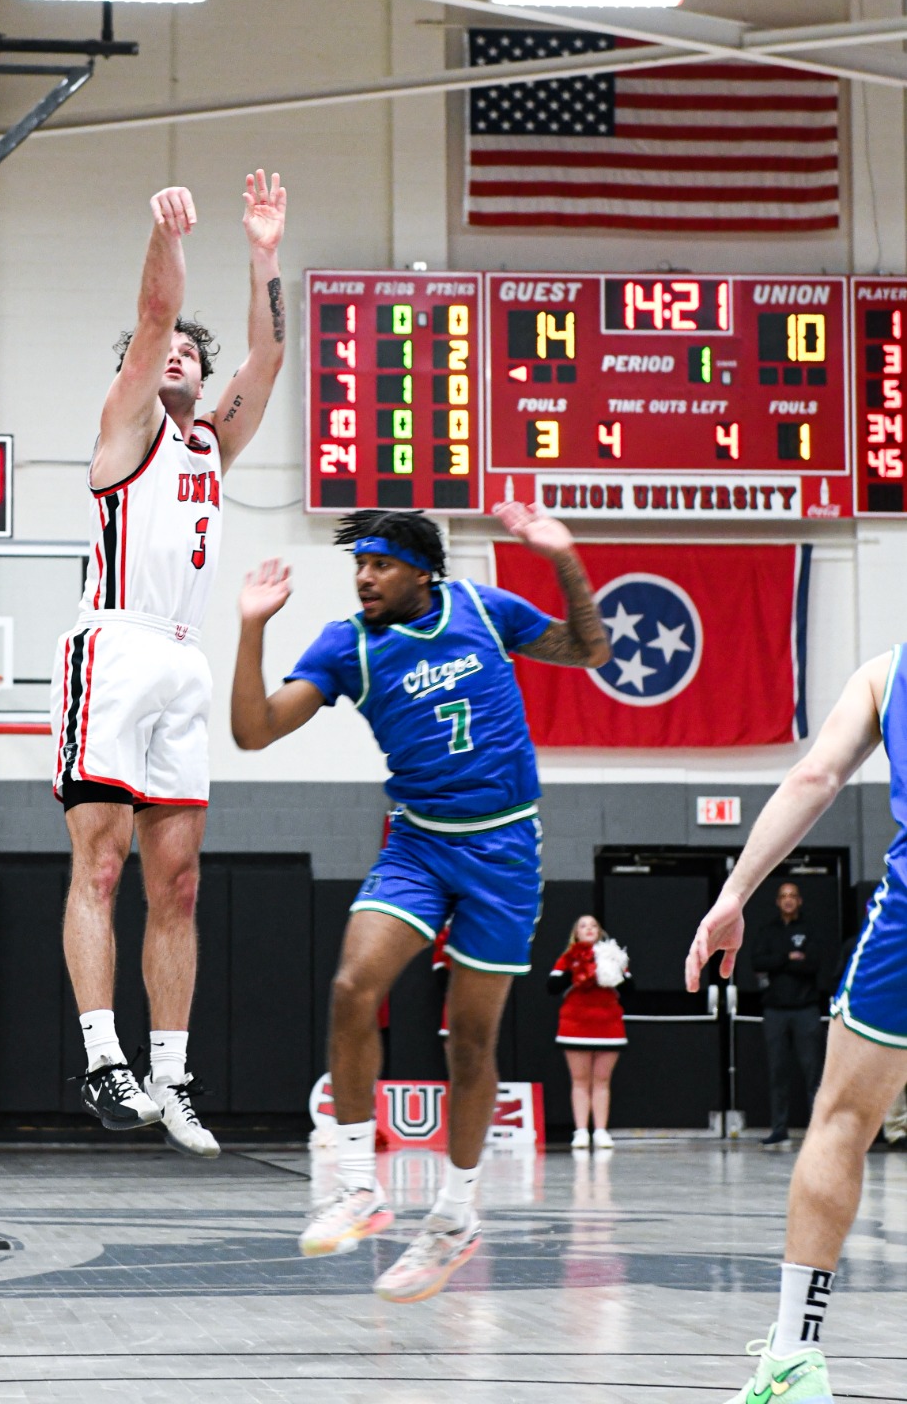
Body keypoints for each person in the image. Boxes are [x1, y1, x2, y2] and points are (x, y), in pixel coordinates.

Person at [231, 503, 611, 1302]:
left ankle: (453, 1218)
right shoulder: (346, 645)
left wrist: (561, 555)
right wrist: (251, 629)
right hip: (417, 844)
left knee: (469, 1044)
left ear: (422, 573)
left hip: (503, 849)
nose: (363, 578)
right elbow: (254, 733)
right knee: (350, 987)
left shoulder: (480, 608)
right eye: (357, 566)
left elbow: (589, 649)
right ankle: (357, 1187)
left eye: (379, 565)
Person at [55, 172, 287, 1155]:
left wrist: (265, 249)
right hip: (112, 642)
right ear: (148, 370)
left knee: (179, 883)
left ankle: (172, 1072)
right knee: (100, 863)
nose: (181, 356)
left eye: (196, 353)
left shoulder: (208, 448)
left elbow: (270, 355)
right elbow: (155, 311)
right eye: (170, 352)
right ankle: (102, 1055)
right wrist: (168, 237)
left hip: (182, 660)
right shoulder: (125, 427)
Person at [685, 643, 907, 1404]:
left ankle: (794, 1358)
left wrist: (732, 894)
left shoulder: (888, 671)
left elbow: (813, 775)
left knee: (841, 1121)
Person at [752, 880, 824, 1150]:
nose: (788, 900)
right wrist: (788, 957)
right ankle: (779, 1128)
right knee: (778, 1072)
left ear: (800, 900)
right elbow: (758, 962)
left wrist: (780, 963)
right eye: (784, 896)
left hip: (806, 1009)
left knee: (812, 1073)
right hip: (775, 1012)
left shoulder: (809, 930)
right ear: (777, 901)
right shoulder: (767, 931)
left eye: (793, 895)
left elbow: (813, 964)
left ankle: (817, 1130)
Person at [549, 913, 629, 1150]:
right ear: (576, 933)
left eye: (594, 925)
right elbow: (552, 987)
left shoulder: (613, 956)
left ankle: (601, 1131)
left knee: (602, 1080)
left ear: (600, 931)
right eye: (583, 925)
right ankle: (582, 1131)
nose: (589, 928)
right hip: (576, 1025)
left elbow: (630, 990)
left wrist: (612, 970)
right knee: (580, 1080)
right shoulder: (567, 958)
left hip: (608, 1024)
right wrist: (578, 970)